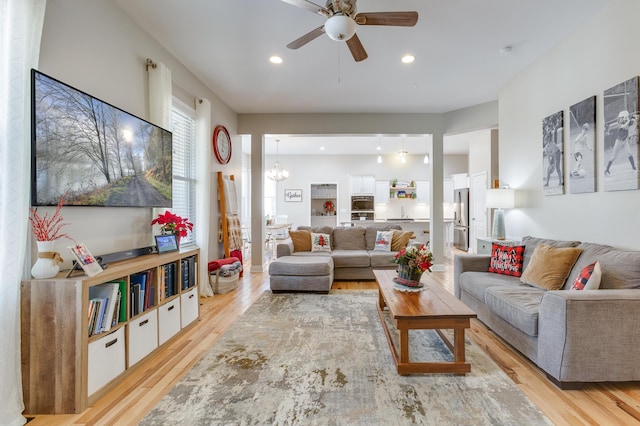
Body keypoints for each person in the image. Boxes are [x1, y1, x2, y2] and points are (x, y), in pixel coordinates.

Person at [604, 110, 638, 176]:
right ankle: (607, 170)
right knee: (613, 157)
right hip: (619, 142)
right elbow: (624, 126)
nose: (621, 119)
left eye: (622, 117)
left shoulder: (627, 121)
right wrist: (629, 120)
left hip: (625, 141)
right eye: (622, 118)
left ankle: (634, 168)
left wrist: (633, 117)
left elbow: (632, 122)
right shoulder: (619, 123)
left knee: (629, 154)